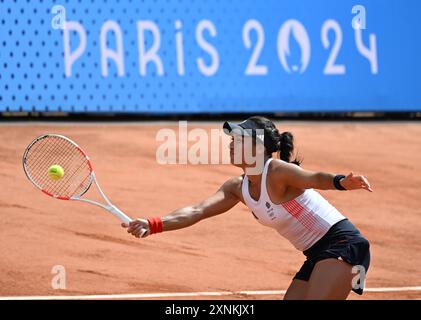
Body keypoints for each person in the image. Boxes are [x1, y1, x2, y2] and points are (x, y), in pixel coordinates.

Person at [122, 116, 372, 300]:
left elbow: (314, 178)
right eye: (232, 139)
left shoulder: (275, 172)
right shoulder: (237, 188)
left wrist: (341, 182)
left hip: (343, 245)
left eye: (239, 139)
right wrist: (152, 224)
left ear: (259, 147)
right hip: (315, 255)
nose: (231, 144)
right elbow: (197, 211)